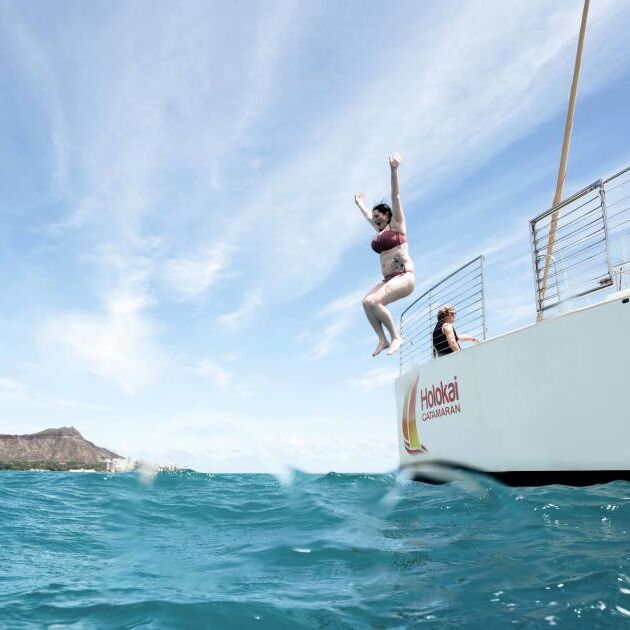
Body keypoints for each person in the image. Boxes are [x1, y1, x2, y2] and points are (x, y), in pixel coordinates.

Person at [354, 153, 415, 356]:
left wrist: (394, 170)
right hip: (388, 279)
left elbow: (395, 197)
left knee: (374, 302)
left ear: (387, 215)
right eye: (374, 218)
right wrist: (359, 204)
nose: (375, 220)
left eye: (378, 217)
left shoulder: (397, 225)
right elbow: (367, 218)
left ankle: (396, 337)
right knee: (366, 302)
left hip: (404, 277)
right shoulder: (380, 230)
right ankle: (383, 339)